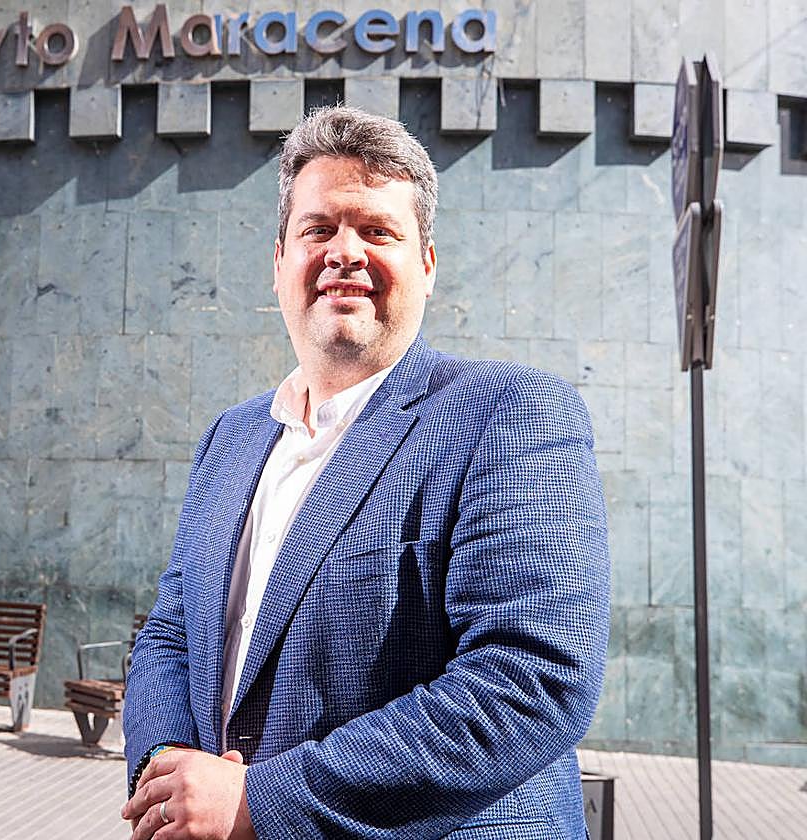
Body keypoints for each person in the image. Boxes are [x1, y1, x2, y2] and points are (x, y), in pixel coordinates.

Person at [121, 105, 610, 840]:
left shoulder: (510, 414)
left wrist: (260, 801)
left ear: (427, 266)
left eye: (378, 231)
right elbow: (169, 634)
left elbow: (531, 680)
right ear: (279, 259)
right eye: (319, 229)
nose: (345, 251)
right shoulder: (230, 439)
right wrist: (169, 769)